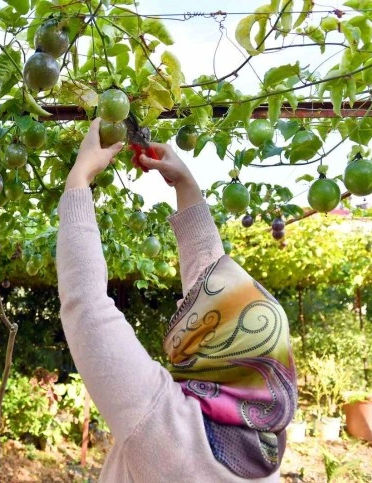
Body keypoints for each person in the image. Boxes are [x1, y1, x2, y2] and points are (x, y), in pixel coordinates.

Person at [56, 118, 297, 482]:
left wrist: (79, 178)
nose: (187, 305)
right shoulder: (261, 433)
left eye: (204, 314)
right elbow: (208, 274)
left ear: (220, 351)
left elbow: (86, 306)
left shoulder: (164, 426)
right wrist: (185, 184)